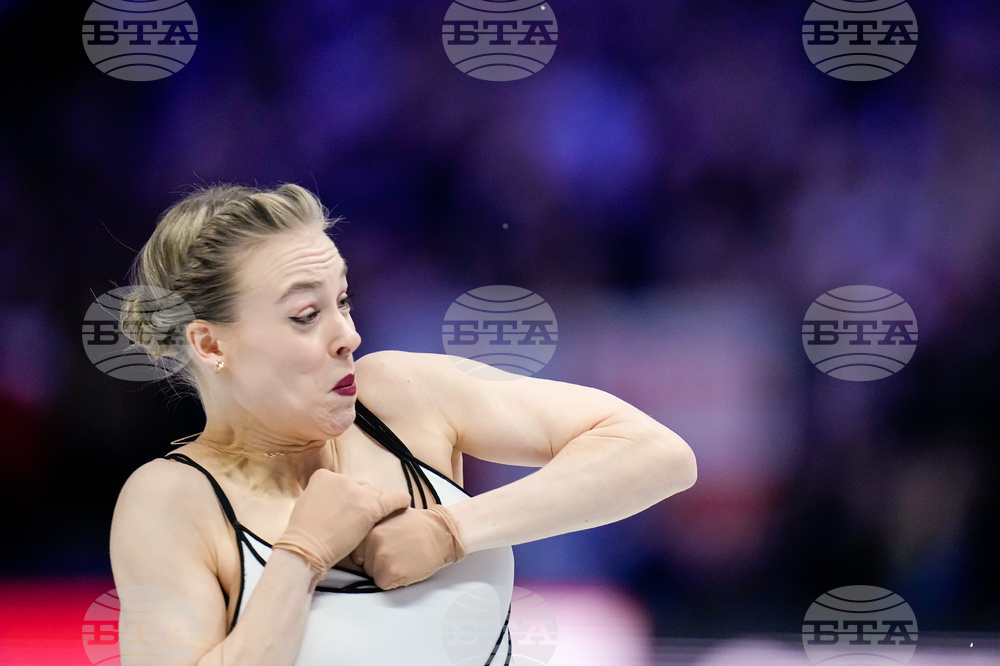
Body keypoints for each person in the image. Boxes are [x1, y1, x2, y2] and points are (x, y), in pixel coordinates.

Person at [109, 183, 697, 666]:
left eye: (343, 302)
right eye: (306, 315)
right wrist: (301, 555)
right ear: (210, 342)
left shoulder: (398, 398)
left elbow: (658, 454)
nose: (348, 336)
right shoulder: (170, 500)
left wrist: (450, 530)